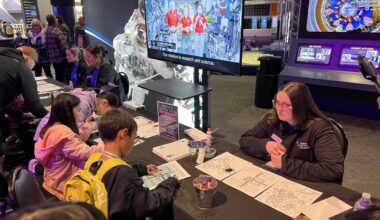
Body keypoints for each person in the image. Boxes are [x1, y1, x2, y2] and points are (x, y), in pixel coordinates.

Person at [239, 82, 344, 183]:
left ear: (302, 106)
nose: (279, 109)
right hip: (276, 177)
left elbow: (333, 170)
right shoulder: (271, 119)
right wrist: (265, 145)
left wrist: (285, 164)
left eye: (287, 105)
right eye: (277, 103)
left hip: (303, 182)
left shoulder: (319, 128)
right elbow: (245, 139)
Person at [97, 109, 179, 219]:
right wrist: (170, 183)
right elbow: (149, 203)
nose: (133, 142)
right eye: (134, 137)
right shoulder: (123, 173)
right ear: (124, 134)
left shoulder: (95, 160)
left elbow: (111, 173)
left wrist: (141, 169)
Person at [34, 93, 103, 199]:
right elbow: (87, 153)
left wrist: (86, 126)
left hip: (52, 179)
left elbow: (75, 142)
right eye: (78, 110)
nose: (81, 114)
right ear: (68, 112)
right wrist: (105, 143)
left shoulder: (52, 127)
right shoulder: (64, 135)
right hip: (64, 185)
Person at [0, 46, 48, 140]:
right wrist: (52, 116)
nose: (30, 70)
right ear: (29, 59)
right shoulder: (21, 67)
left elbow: (3, 104)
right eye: (32, 67)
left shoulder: (4, 59)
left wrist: (22, 114)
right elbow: (34, 106)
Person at [45, 14, 68, 83]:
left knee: (57, 75)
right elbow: (63, 46)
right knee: (63, 76)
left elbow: (46, 44)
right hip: (61, 57)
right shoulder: (57, 31)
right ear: (54, 20)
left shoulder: (46, 31)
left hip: (53, 58)